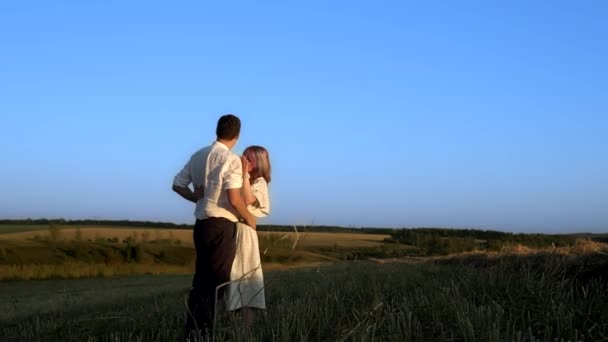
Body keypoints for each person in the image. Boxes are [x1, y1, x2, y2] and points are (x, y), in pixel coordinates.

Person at [172, 114, 256, 340]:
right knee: (217, 283)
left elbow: (177, 184)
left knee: (201, 281)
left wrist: (194, 197)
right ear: (237, 136)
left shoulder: (198, 155)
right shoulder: (231, 160)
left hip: (201, 225)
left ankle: (192, 332)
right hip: (221, 226)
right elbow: (234, 199)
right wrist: (249, 218)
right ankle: (205, 333)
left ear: (217, 131)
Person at [225, 146, 272, 326]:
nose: (244, 160)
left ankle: (245, 331)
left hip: (245, 234)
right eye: (244, 156)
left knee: (246, 281)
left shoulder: (259, 182)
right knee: (232, 281)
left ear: (258, 163)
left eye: (249, 158)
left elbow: (247, 199)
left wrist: (244, 174)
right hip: (233, 230)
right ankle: (234, 327)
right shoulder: (243, 178)